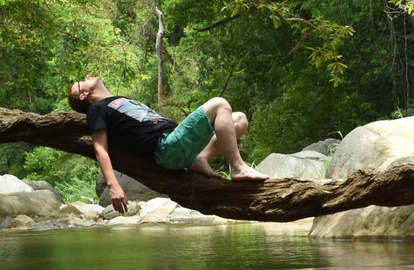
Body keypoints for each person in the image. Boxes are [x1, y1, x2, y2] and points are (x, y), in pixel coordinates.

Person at [67, 75, 268, 212]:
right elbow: (99, 148)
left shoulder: (118, 101)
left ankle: (200, 157)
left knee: (239, 119)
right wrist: (113, 186)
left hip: (174, 138)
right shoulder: (97, 109)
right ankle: (238, 168)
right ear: (83, 96)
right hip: (165, 147)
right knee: (219, 103)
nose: (86, 76)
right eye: (80, 81)